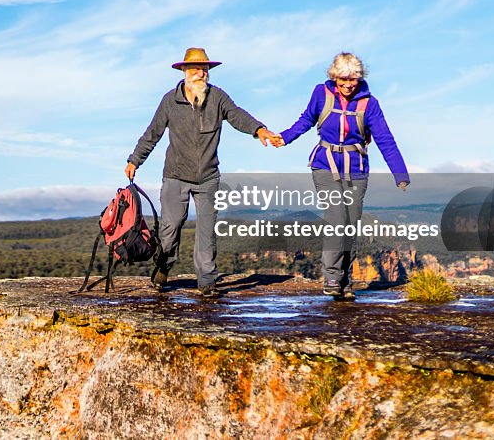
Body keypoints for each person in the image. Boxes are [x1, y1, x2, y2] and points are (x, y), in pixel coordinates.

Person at [125, 47, 276, 297]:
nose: (201, 73)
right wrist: (135, 160)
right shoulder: (169, 100)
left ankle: (207, 282)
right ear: (184, 70)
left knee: (207, 231)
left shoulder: (217, 97)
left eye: (204, 68)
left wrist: (259, 130)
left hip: (208, 178)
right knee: (170, 227)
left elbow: (237, 115)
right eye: (195, 68)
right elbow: (153, 133)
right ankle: (163, 269)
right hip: (175, 175)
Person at [269, 52, 409, 300]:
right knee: (336, 217)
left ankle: (345, 280)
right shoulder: (321, 94)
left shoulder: (370, 104)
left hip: (356, 168)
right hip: (325, 164)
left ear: (359, 78)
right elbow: (306, 120)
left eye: (352, 80)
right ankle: (332, 276)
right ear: (333, 77)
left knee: (351, 224)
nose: (347, 85)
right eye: (342, 79)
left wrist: (400, 173)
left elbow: (385, 139)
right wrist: (285, 137)